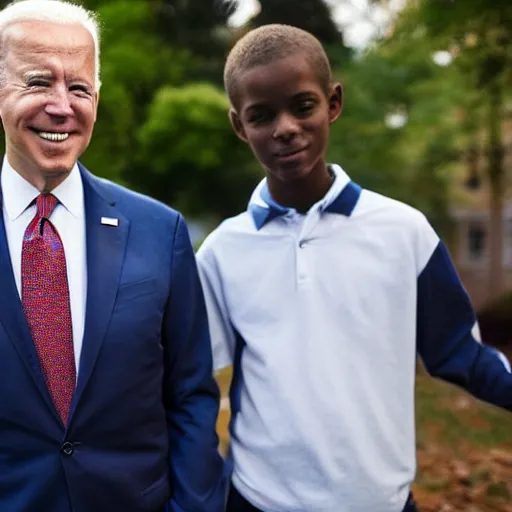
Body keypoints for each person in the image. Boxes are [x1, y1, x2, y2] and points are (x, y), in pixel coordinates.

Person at [196, 24, 512, 512]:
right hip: (257, 502)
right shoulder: (222, 252)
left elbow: (460, 356)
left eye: (303, 106)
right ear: (240, 126)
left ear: (333, 103)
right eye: (262, 116)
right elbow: (187, 383)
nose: (285, 128)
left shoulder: (403, 232)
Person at [0, 1, 225, 511]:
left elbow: (190, 394)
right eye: (38, 82)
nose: (62, 105)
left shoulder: (159, 231)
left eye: (79, 88)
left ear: (96, 99)